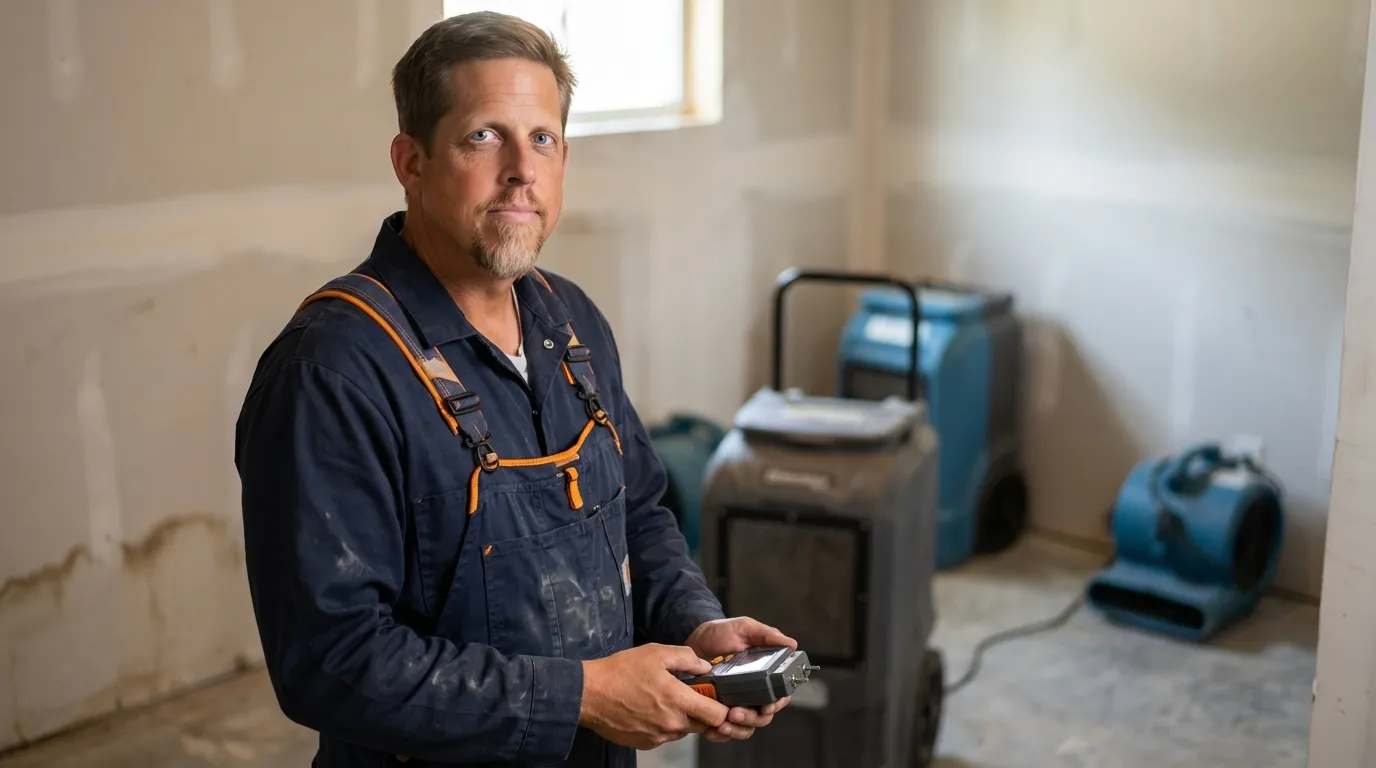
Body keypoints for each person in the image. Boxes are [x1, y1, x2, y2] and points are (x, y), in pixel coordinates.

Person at [233, 10, 796, 768]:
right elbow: (329, 660)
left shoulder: (572, 324)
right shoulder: (333, 371)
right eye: (482, 136)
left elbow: (639, 511)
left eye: (542, 139)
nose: (521, 171)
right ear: (411, 161)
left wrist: (695, 624)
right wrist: (586, 697)